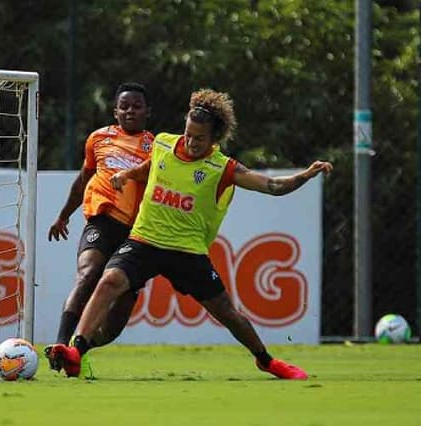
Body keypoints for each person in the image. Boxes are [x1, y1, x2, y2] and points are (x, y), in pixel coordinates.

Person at [49, 88, 333, 380]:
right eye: (188, 134)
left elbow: (272, 186)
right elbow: (148, 168)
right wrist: (125, 175)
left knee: (225, 311)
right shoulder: (162, 144)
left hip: (186, 252)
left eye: (200, 138)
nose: (191, 142)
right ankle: (76, 351)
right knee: (109, 280)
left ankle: (266, 360)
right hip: (145, 241)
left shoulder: (221, 167)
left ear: (214, 139)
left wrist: (304, 176)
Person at [44, 82, 154, 378]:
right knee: (88, 273)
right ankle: (59, 344)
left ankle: (79, 350)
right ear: (115, 111)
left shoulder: (156, 147)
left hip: (136, 232)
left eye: (136, 106)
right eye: (124, 106)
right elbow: (83, 179)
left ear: (147, 112)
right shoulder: (99, 139)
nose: (130, 110)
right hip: (102, 221)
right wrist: (63, 215)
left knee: (115, 322)